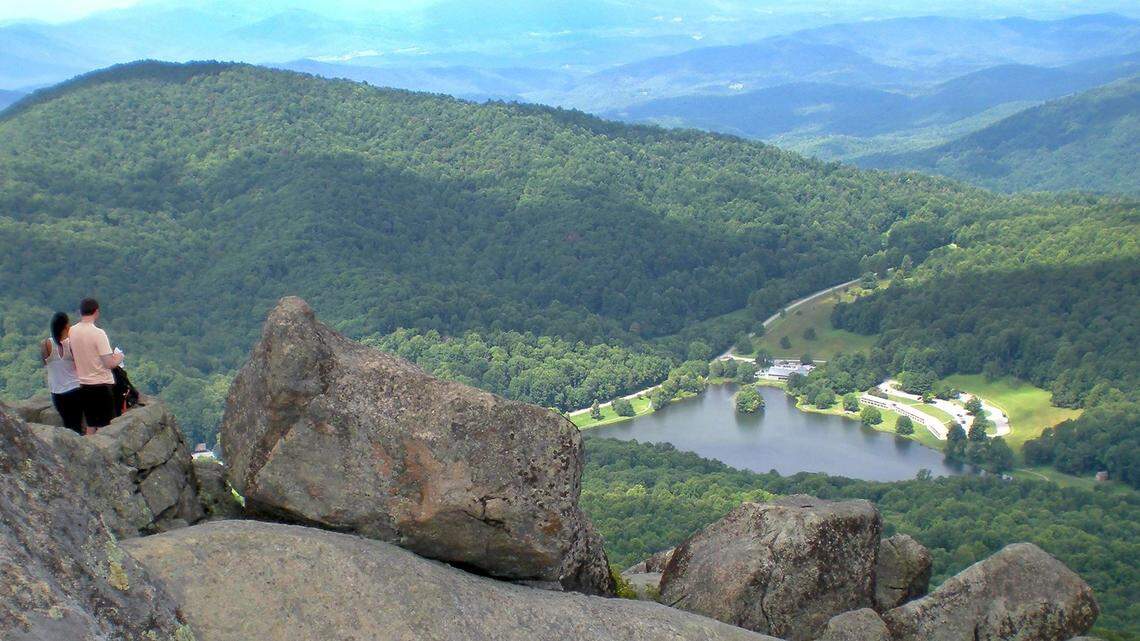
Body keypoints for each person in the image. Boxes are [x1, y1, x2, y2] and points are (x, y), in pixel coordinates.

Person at [68, 298, 123, 434]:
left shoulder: (71, 331)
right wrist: (119, 358)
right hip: (101, 385)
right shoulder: (98, 334)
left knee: (90, 424)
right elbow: (109, 363)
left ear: (80, 312)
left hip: (81, 384)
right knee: (106, 428)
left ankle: (88, 452)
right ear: (96, 312)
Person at [41, 312, 84, 435]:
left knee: (67, 425)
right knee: (77, 426)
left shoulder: (45, 344)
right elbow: (80, 365)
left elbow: (45, 363)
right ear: (66, 326)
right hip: (75, 390)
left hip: (57, 392)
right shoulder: (72, 343)